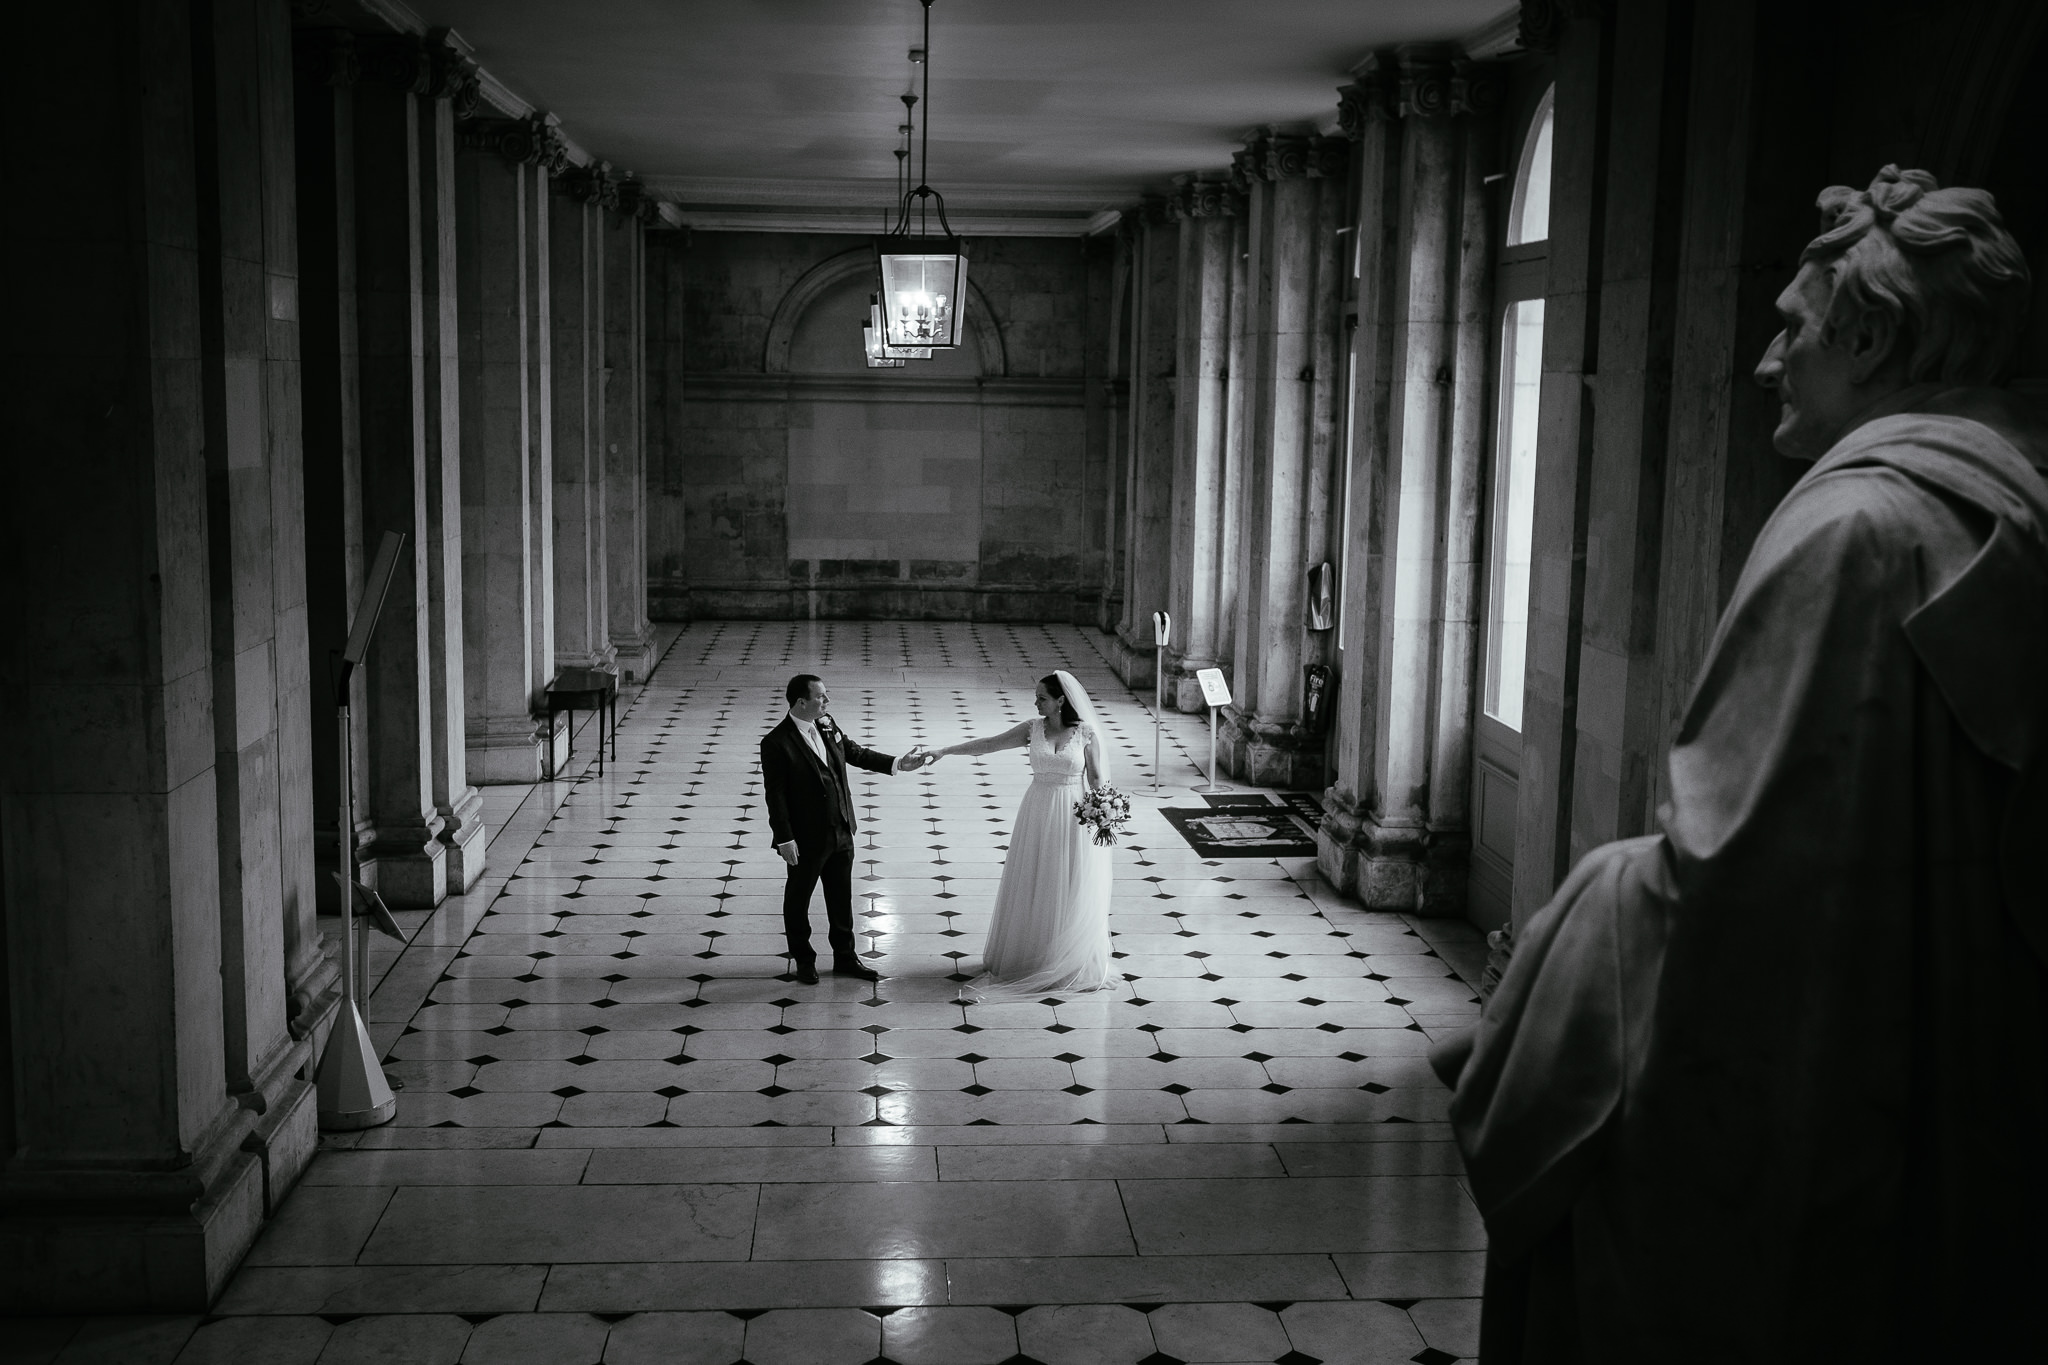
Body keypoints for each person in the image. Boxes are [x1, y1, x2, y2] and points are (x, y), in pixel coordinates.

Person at [1433, 166, 2048, 1362]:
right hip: (1965, 1086)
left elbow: (1728, 886)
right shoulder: (2008, 494)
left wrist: (1574, 927)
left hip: (1824, 1099)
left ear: (1867, 337)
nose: (1766, 362)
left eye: (1791, 331)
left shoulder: (1854, 531)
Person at [927, 670, 1118, 999]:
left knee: (1065, 880)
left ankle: (1064, 958)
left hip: (1072, 813)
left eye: (1042, 697)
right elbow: (989, 744)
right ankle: (1030, 955)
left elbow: (1098, 778)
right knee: (1034, 878)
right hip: (1037, 807)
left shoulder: (1085, 733)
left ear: (1060, 701)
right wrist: (945, 751)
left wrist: (1105, 814)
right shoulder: (1033, 729)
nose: (1035, 702)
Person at [760, 673, 930, 985]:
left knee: (841, 898)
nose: (827, 701)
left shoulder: (826, 724)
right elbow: (776, 795)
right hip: (806, 837)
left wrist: (898, 764)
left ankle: (845, 957)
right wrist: (784, 837)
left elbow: (854, 752)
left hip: (840, 829)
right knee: (798, 899)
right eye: (820, 697)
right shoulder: (776, 743)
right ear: (801, 702)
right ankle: (804, 959)